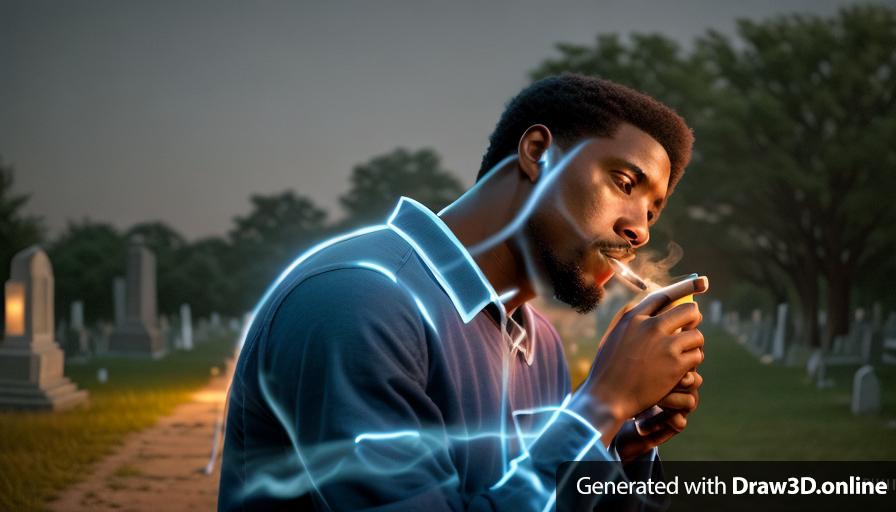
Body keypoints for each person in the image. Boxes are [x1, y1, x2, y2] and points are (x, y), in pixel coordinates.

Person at [218, 74, 707, 511]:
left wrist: (618, 443)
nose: (639, 230)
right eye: (625, 183)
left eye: (652, 212)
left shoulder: (539, 342)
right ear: (539, 152)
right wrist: (599, 405)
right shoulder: (361, 301)